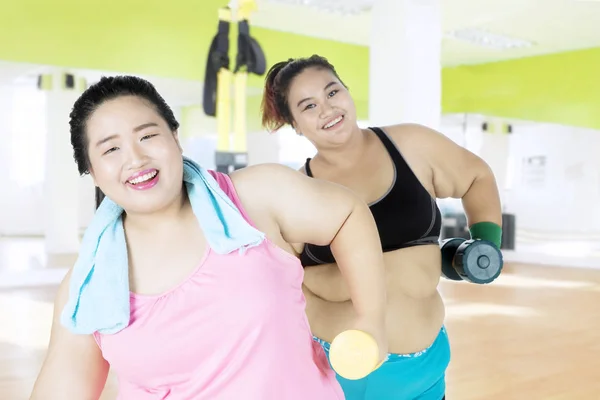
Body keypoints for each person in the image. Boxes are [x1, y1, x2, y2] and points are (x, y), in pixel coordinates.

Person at [30, 75, 390, 400]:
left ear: (175, 138)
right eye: (111, 149)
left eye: (148, 135)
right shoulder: (86, 287)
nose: (136, 158)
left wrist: (371, 319)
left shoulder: (256, 197)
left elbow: (347, 215)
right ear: (92, 172)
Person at [260, 55, 504, 400]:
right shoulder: (296, 193)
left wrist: (485, 244)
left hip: (427, 364)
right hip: (339, 372)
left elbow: (477, 176)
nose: (327, 109)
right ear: (296, 125)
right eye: (309, 106)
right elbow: (278, 283)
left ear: (347, 91)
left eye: (332, 93)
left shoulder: (411, 145)